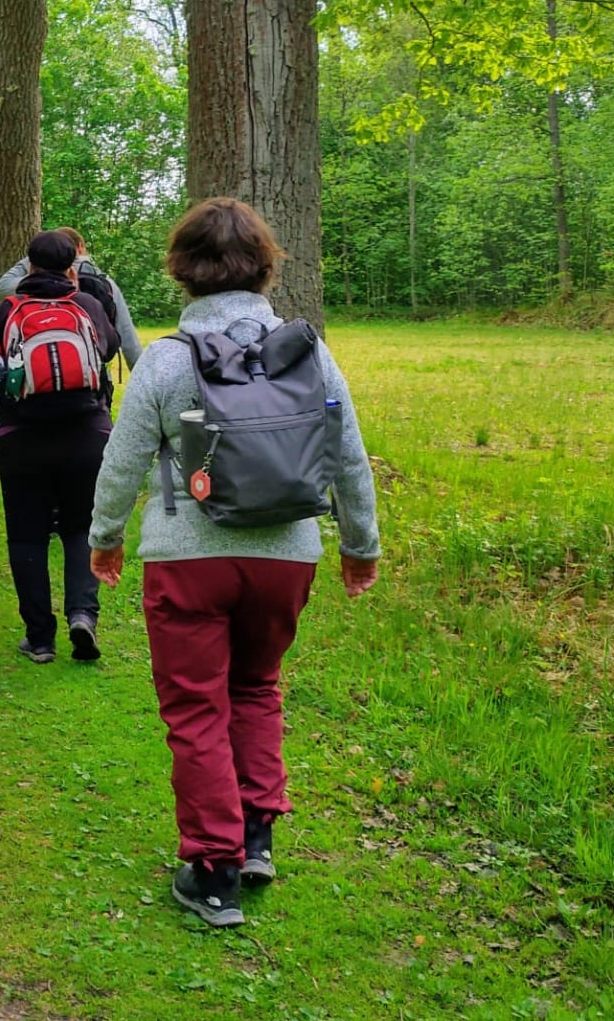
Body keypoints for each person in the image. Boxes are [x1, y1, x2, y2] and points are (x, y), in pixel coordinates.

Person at [86, 197, 381, 929]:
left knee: (195, 707)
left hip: (188, 558)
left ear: (182, 270)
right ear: (265, 267)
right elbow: (346, 456)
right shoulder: (308, 352)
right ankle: (255, 840)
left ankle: (211, 871)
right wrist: (359, 544)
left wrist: (105, 534)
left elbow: (123, 462)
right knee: (257, 688)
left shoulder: (165, 359)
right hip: (287, 557)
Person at [0, 230, 118, 664]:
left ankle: (40, 638)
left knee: (27, 536)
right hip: (88, 435)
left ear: (28, 266)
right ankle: (83, 615)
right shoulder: (85, 304)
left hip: (22, 439)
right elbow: (110, 346)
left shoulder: (9, 309)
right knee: (80, 527)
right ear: (72, 268)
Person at [0, 228, 143, 369]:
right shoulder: (106, 284)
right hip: (91, 375)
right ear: (80, 246)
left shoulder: (34, 283)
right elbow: (128, 339)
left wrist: (34, 258)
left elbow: (1, 287)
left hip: (38, 368)